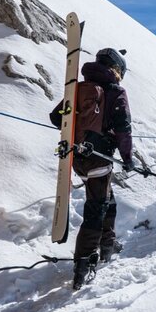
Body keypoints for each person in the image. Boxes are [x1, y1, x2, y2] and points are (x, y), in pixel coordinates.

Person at [50, 47, 134, 289]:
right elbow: (123, 129)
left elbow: (57, 118)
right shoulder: (115, 91)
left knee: (108, 199)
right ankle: (83, 262)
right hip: (99, 158)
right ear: (117, 69)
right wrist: (128, 158)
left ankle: (108, 243)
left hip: (76, 157)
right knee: (96, 209)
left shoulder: (77, 88)